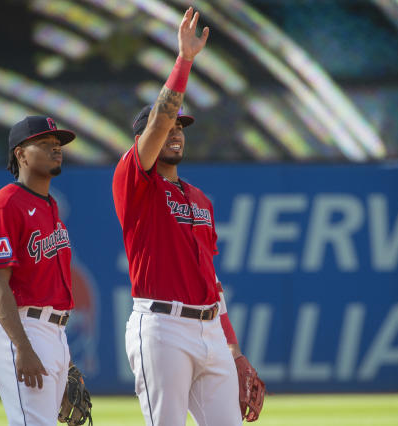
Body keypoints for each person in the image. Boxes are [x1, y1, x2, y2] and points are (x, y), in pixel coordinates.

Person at [112, 8, 264, 425]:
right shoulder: (135, 182)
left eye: (182, 127)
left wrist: (233, 350)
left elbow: (212, 281)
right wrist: (185, 61)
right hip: (162, 327)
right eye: (169, 127)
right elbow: (161, 118)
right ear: (147, 139)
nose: (176, 130)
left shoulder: (198, 198)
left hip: (209, 330)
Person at [0, 115, 77, 425]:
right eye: (45, 144)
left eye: (57, 144)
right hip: (21, 328)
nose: (56, 149)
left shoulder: (49, 205)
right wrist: (22, 346)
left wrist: (65, 359)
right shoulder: (4, 206)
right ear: (20, 154)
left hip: (53, 331)